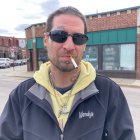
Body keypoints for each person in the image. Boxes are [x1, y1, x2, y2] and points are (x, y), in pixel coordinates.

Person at [0, 6, 136, 140]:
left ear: (84, 45)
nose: (69, 46)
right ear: (46, 40)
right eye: (60, 36)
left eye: (78, 38)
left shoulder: (109, 93)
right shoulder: (22, 96)